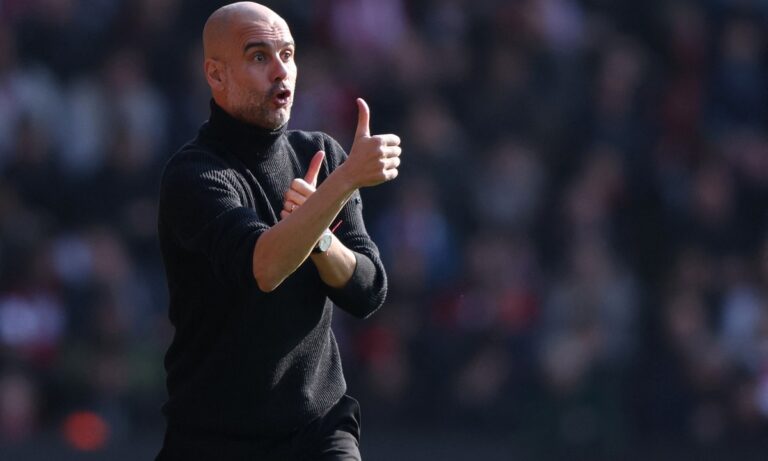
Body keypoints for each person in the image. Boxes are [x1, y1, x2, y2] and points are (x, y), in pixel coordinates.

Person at [154, 2, 401, 460]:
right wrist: (344, 182)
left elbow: (367, 292)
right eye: (258, 56)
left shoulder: (319, 152)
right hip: (214, 437)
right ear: (216, 74)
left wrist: (321, 237)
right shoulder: (194, 173)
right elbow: (265, 268)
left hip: (317, 428)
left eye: (287, 54)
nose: (281, 71)